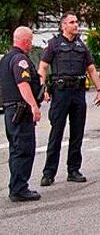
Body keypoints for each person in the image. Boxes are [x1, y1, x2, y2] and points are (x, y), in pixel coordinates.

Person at [38, 12, 100, 186]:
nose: (76, 25)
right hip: (60, 93)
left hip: (78, 93)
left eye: (77, 22)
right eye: (72, 22)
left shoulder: (81, 46)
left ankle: (73, 170)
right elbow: (43, 67)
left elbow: (91, 69)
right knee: (56, 133)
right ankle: (48, 173)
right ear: (63, 26)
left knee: (77, 133)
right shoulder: (53, 44)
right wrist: (42, 88)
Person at [0, 27, 42, 201]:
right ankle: (19, 189)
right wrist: (34, 105)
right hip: (20, 111)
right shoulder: (20, 59)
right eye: (30, 40)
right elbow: (22, 84)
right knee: (23, 149)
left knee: (16, 149)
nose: (31, 44)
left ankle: (16, 186)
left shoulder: (5, 59)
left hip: (11, 111)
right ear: (25, 41)